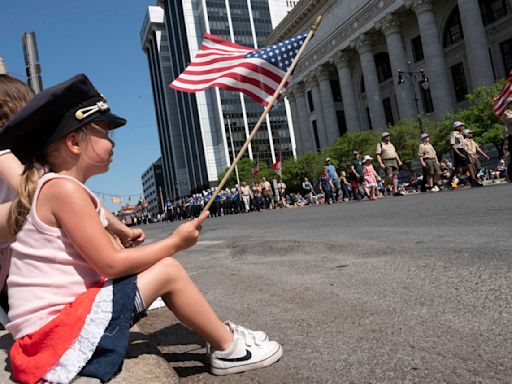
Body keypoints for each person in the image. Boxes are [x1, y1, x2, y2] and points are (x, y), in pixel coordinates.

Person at [0, 74, 282, 383]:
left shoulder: (58, 188)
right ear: (73, 142)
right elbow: (109, 263)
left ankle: (222, 336)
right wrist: (176, 242)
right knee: (168, 270)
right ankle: (230, 350)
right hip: (52, 340)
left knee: (155, 269)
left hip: (48, 336)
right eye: (104, 131)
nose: (113, 141)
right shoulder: (63, 190)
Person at [376, 132, 403, 196]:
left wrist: (399, 160)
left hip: (394, 160)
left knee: (395, 176)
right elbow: (378, 155)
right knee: (389, 175)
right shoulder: (380, 145)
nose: (388, 137)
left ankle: (395, 191)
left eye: (389, 136)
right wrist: (381, 163)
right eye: (387, 136)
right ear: (383, 138)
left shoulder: (391, 145)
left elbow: (395, 153)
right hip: (386, 160)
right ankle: (383, 187)